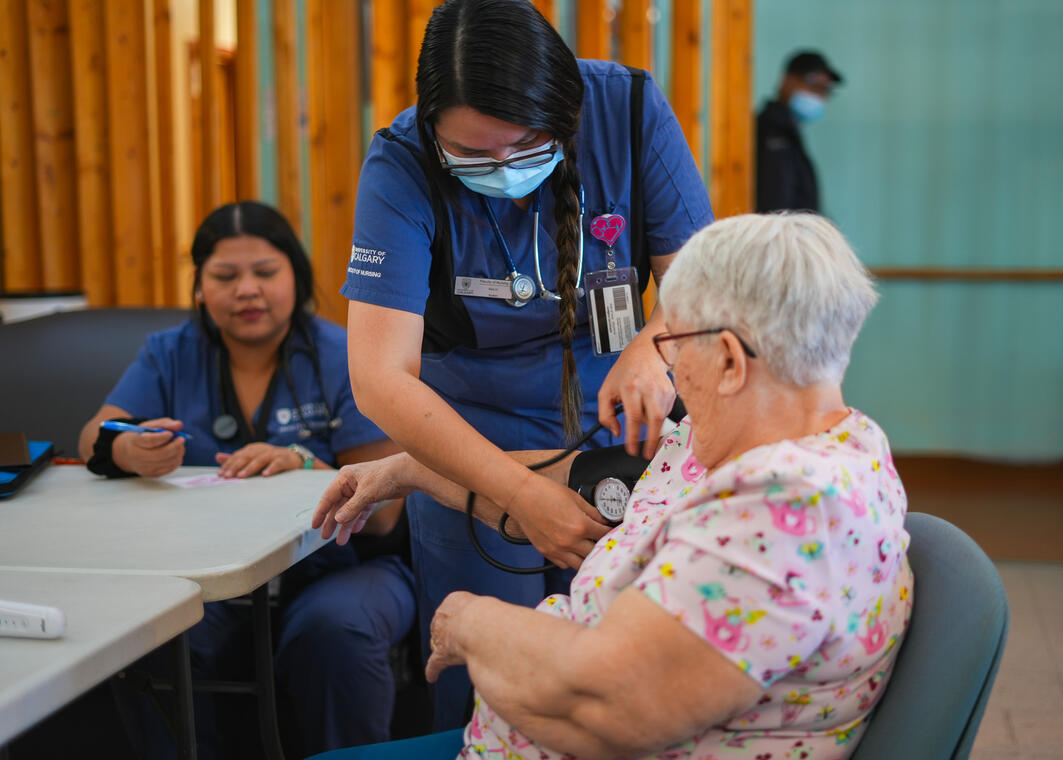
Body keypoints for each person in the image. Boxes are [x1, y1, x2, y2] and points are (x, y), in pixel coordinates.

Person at [313, 213, 914, 759]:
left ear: (730, 362)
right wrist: (410, 470)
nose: (671, 373)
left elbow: (608, 710)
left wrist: (469, 623)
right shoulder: (754, 443)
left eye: (673, 347)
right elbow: (578, 479)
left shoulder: (789, 505)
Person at [343, 0, 713, 728]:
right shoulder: (401, 162)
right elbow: (379, 378)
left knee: (625, 675)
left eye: (526, 146)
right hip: (471, 445)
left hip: (622, 425)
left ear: (566, 111)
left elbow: (707, 281)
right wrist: (510, 489)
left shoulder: (628, 109)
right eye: (473, 156)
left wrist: (651, 343)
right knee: (487, 687)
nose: (506, 170)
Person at [78, 201, 415, 758]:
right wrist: (125, 448)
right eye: (225, 276)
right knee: (149, 635)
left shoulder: (346, 354)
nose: (247, 291)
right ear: (199, 289)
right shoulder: (170, 354)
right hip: (206, 578)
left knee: (333, 631)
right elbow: (95, 435)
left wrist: (307, 466)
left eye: (265, 272)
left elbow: (384, 515)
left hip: (345, 569)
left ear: (296, 277)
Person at [755, 50, 843, 213]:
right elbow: (775, 204)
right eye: (814, 85)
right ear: (786, 80)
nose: (819, 95)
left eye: (825, 90)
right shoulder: (768, 131)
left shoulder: (789, 132)